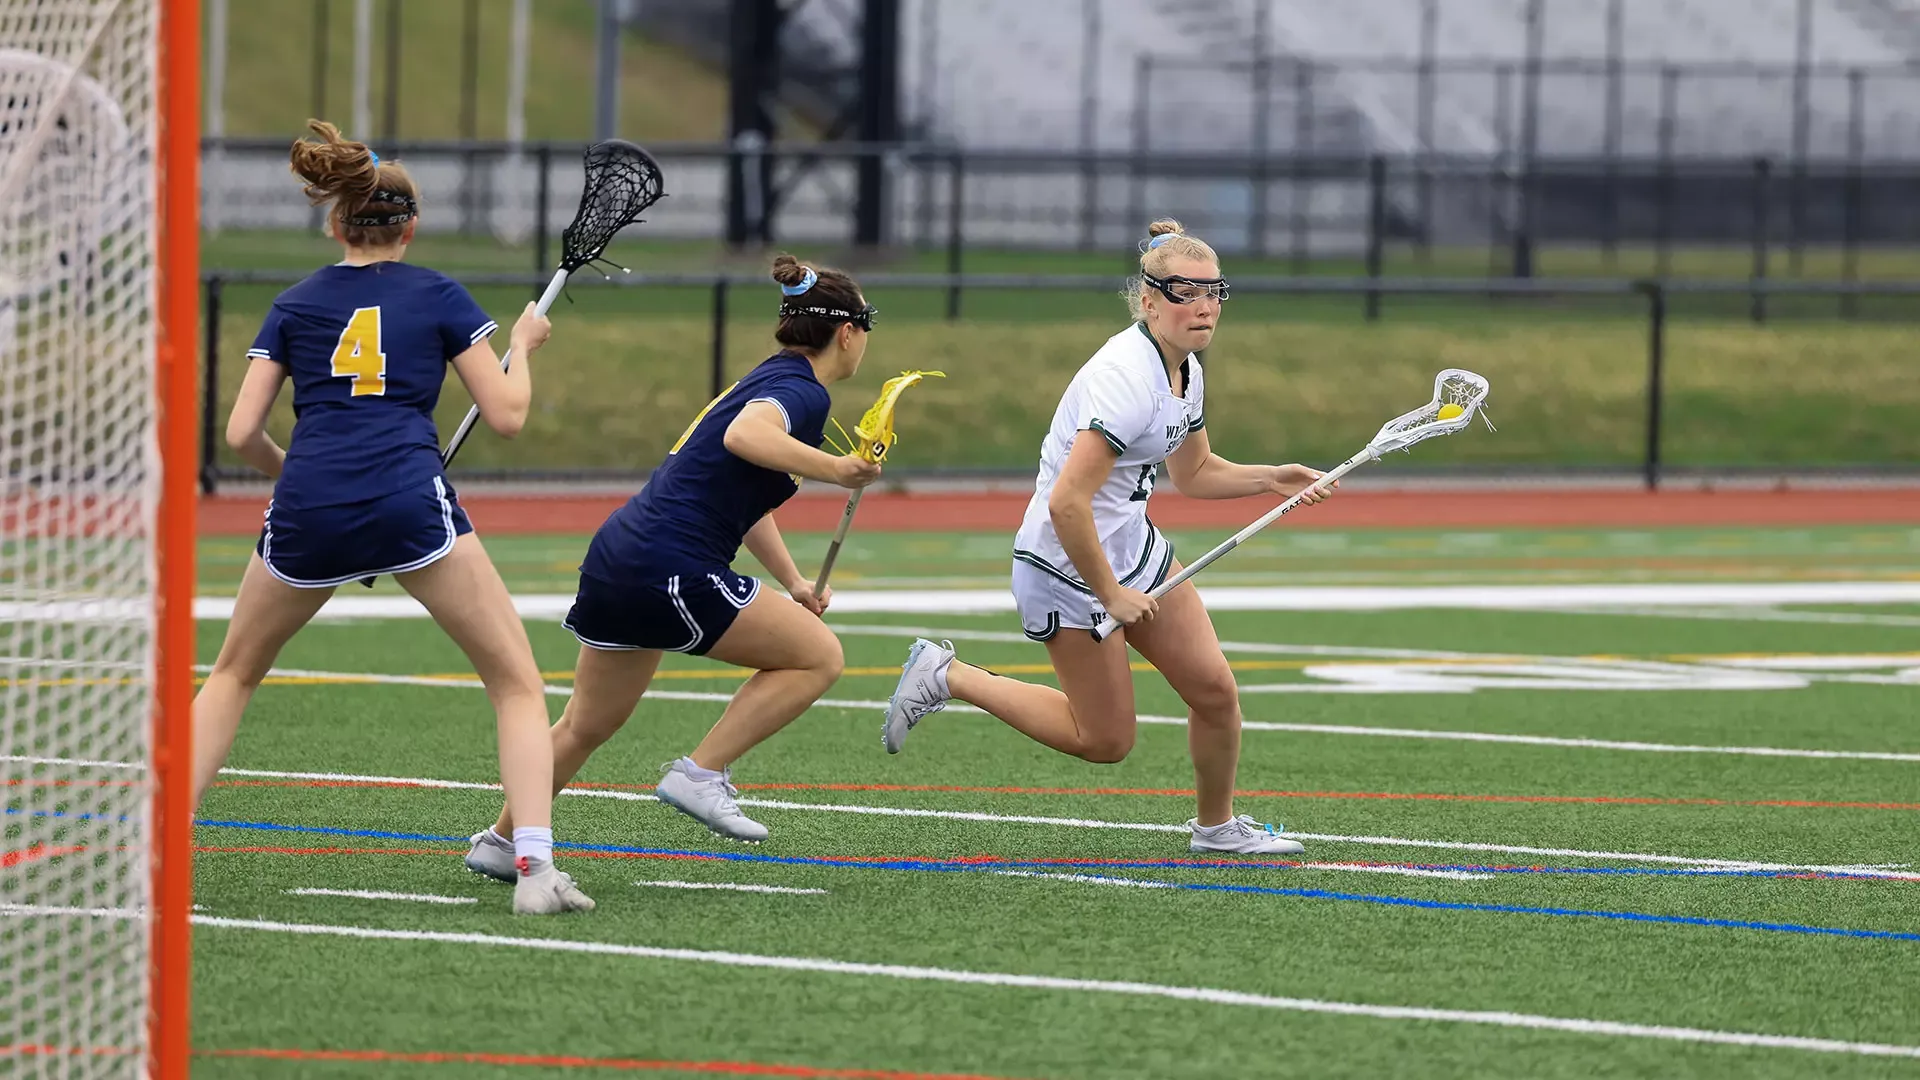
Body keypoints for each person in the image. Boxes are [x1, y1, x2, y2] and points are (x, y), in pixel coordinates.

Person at [192, 120, 592, 915]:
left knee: (234, 673)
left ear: (336, 222)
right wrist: (524, 343)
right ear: (411, 226)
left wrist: (296, 476)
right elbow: (506, 413)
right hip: (409, 501)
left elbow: (240, 434)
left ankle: (157, 842)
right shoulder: (440, 294)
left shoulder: (295, 303)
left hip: (308, 505)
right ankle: (535, 870)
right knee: (515, 683)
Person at [880, 218, 1334, 856]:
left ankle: (1216, 828)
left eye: (1214, 292)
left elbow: (1195, 472)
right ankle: (950, 675)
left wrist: (1271, 479)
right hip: (1065, 563)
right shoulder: (1123, 378)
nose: (1203, 306)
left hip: (1132, 546)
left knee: (1214, 692)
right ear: (1149, 301)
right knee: (1105, 740)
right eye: (1184, 292)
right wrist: (1111, 594)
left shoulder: (1186, 368)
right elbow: (1068, 502)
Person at [463, 254, 881, 875]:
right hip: (669, 565)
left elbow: (748, 489)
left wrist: (792, 580)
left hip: (620, 554)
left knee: (585, 724)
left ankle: (502, 842)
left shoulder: (767, 378)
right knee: (820, 656)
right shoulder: (801, 393)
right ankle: (701, 773)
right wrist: (839, 470)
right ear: (848, 332)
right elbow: (746, 437)